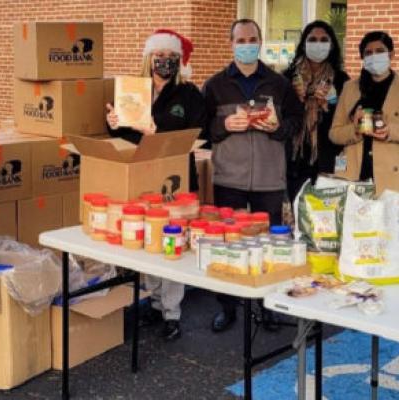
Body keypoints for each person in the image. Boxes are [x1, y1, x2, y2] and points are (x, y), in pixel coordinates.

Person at [203, 19, 302, 333]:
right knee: (228, 244)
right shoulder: (215, 84)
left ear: (260, 42)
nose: (246, 44)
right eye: (240, 40)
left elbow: (296, 121)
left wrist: (279, 129)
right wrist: (221, 127)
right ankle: (227, 307)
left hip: (269, 177)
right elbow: (202, 127)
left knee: (271, 244)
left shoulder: (278, 83)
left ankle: (268, 304)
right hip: (228, 176)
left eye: (252, 39)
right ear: (231, 43)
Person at [106, 29, 206, 341]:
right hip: (143, 177)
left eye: (172, 58)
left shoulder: (190, 95)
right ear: (149, 58)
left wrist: (155, 130)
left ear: (180, 62)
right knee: (150, 240)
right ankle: (155, 300)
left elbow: (198, 136)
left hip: (176, 182)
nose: (165, 62)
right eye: (159, 56)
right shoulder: (133, 91)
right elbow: (124, 138)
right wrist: (113, 125)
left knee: (172, 243)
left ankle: (172, 313)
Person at [284, 20, 350, 202]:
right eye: (312, 39)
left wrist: (327, 106)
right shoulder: (287, 78)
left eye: (323, 39)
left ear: (331, 45)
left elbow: (345, 122)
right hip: (294, 160)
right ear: (304, 44)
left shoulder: (342, 80)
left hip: (327, 160)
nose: (318, 44)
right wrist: (297, 100)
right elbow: (280, 118)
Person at [330, 31, 399, 194]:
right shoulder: (350, 88)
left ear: (392, 54)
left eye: (380, 51)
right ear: (362, 57)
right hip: (354, 176)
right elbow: (334, 133)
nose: (374, 56)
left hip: (390, 179)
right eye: (368, 53)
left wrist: (390, 130)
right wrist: (354, 130)